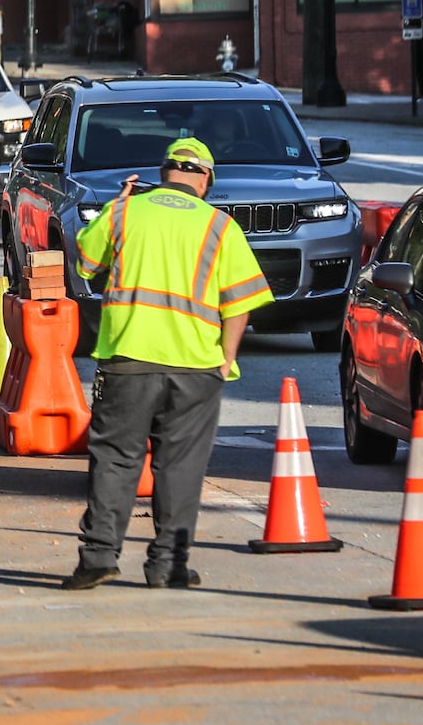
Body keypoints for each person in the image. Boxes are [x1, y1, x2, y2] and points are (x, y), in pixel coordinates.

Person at [62, 136, 274, 591]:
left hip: (128, 359)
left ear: (164, 173)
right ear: (205, 180)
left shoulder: (122, 211)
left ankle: (98, 557)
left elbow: (83, 262)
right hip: (196, 367)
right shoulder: (220, 226)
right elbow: (240, 303)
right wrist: (226, 359)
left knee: (116, 459)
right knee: (180, 467)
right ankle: (167, 565)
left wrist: (109, 210)